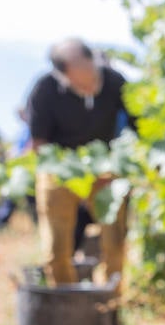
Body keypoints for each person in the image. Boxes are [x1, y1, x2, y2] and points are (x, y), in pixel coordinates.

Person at [24, 38, 137, 289]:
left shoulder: (114, 82)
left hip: (104, 169)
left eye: (89, 73)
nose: (88, 82)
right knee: (57, 248)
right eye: (79, 78)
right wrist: (68, 173)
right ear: (63, 76)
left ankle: (110, 302)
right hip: (59, 171)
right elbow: (40, 145)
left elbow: (140, 125)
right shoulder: (45, 91)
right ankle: (64, 299)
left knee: (115, 242)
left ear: (92, 60)